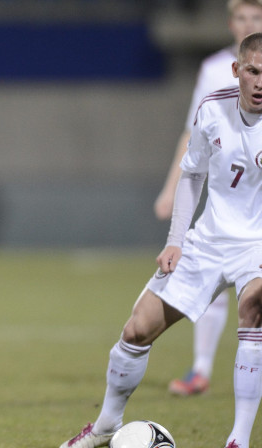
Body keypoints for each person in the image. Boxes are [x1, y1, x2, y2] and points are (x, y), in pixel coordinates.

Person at [60, 32, 262, 448]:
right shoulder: (212, 109)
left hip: (256, 244)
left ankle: (239, 439)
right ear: (237, 71)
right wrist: (176, 240)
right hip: (206, 240)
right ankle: (106, 425)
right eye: (254, 72)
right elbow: (192, 174)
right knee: (137, 330)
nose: (260, 82)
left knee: (254, 307)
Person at [155, 0, 262, 397]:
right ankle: (201, 367)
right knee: (214, 278)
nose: (247, 23)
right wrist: (171, 188)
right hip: (224, 194)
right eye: (241, 17)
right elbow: (192, 135)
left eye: (256, 17)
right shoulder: (215, 69)